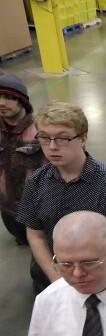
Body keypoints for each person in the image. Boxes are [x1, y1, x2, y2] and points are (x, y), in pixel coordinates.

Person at [17, 102, 106, 294]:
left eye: (62, 138)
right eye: (44, 137)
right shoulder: (35, 182)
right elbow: (35, 235)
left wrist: (98, 277)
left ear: (83, 138)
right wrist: (59, 280)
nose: (52, 147)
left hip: (104, 281)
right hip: (56, 278)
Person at [0, 73, 47, 245]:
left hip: (39, 208)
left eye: (8, 97)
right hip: (8, 207)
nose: (1, 103)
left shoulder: (41, 130)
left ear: (22, 101)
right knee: (21, 238)